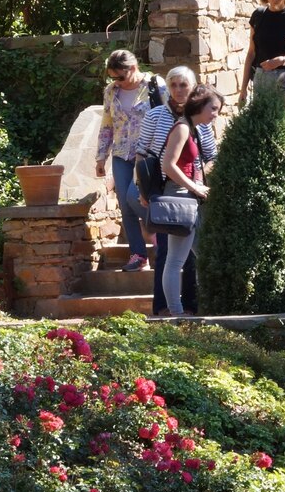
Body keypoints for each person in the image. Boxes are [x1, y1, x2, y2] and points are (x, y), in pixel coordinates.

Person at [135, 67, 219, 316]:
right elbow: (146, 156)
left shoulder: (199, 126)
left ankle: (192, 308)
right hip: (170, 195)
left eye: (184, 85)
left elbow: (210, 157)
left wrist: (203, 183)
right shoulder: (161, 118)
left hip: (191, 195)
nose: (179, 90)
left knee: (194, 256)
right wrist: (144, 190)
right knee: (170, 257)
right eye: (175, 85)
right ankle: (169, 310)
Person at [95, 50, 164, 272]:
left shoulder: (155, 86)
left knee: (136, 198)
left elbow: (168, 116)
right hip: (121, 154)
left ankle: (163, 232)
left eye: (120, 77)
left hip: (148, 155)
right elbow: (107, 123)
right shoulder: (111, 92)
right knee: (125, 206)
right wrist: (101, 156)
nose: (116, 82)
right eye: (112, 77)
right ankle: (138, 255)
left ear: (133, 68)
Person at [160, 87, 224, 317]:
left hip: (189, 198)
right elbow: (168, 165)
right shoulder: (183, 128)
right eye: (213, 108)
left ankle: (212, 304)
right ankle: (176, 313)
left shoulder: (193, 129)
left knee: (205, 252)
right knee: (176, 259)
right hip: (180, 198)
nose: (216, 114)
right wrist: (194, 186)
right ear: (199, 104)